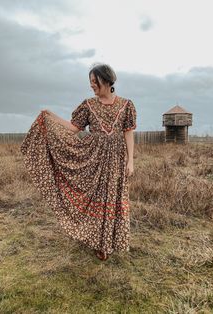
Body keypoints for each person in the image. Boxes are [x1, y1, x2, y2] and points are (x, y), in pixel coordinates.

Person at [20, 63, 137, 261]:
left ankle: (107, 243)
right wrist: (51, 117)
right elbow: (73, 128)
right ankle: (97, 242)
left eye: (94, 81)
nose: (91, 85)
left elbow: (128, 133)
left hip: (116, 160)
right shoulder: (88, 105)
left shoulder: (126, 105)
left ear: (107, 80)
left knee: (112, 199)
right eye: (90, 82)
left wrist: (130, 160)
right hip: (93, 157)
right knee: (94, 198)